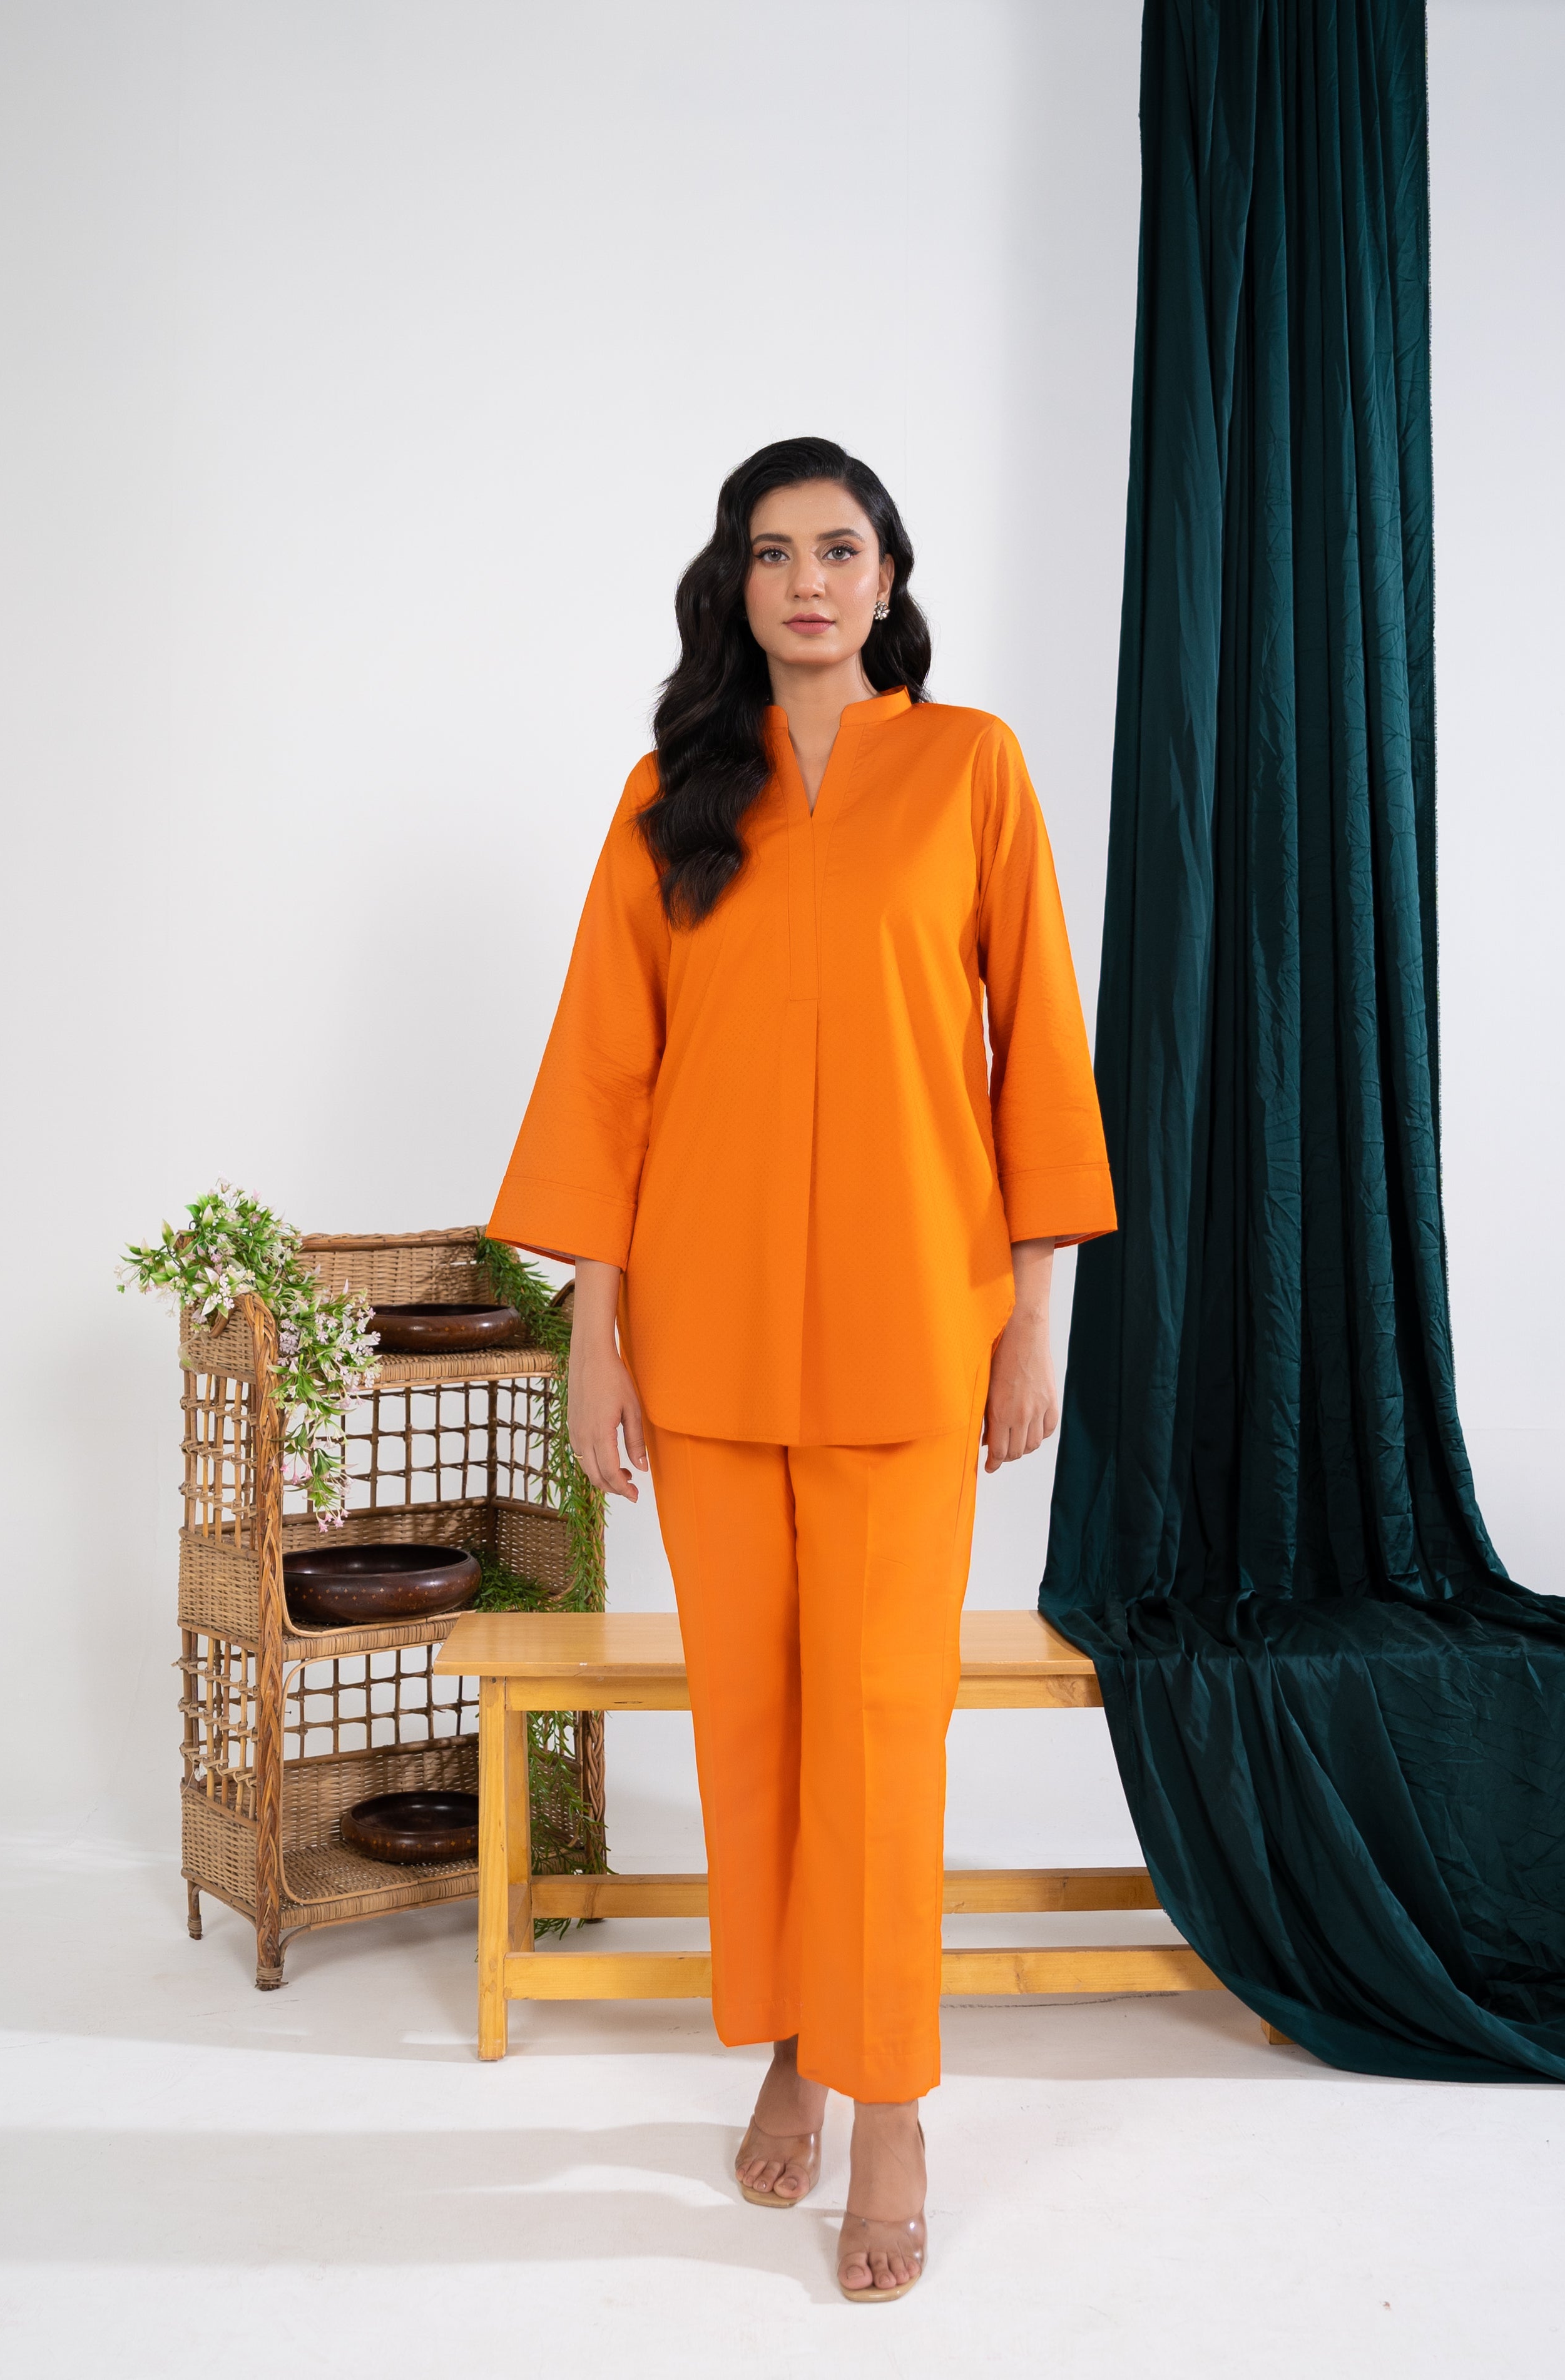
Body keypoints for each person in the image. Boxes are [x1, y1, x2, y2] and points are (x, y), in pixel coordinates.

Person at [486, 435, 1115, 2302]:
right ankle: (792, 2040)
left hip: (917, 1329)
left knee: (881, 1724)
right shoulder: (672, 793)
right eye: (774, 554)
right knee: (753, 1719)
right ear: (737, 586)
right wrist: (595, 1337)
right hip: (709, 1334)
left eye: (840, 549)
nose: (809, 582)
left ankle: (890, 2093)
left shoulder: (972, 767)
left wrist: (1037, 1313)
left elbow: (1041, 1045)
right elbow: (607, 1071)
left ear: (889, 577)